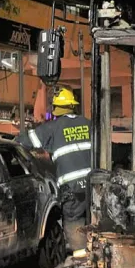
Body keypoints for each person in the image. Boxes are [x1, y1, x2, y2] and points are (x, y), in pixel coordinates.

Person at [15, 88, 91, 251]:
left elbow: (26, 140)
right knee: (92, 219)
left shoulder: (53, 127)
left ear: (57, 109)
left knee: (73, 220)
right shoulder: (88, 123)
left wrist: (12, 141)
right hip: (92, 185)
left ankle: (81, 257)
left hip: (71, 188)